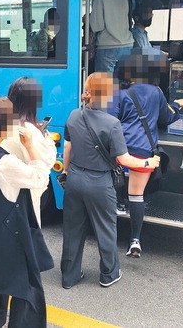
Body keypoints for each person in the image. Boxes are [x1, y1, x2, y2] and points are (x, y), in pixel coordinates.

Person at [60, 72, 160, 289]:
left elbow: (68, 147)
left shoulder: (74, 115)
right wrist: (147, 164)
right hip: (99, 182)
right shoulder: (112, 123)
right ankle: (108, 274)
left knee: (73, 229)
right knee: (105, 228)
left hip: (75, 178)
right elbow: (123, 159)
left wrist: (67, 172)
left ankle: (69, 276)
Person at [0, 96, 53, 327]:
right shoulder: (5, 163)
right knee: (28, 290)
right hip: (10, 242)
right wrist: (32, 147)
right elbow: (40, 178)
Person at [113, 52, 183, 258]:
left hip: (120, 148)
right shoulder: (155, 91)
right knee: (137, 194)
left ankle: (116, 211)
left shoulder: (119, 91)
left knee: (112, 185)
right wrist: (177, 106)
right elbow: (166, 118)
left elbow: (111, 120)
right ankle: (135, 241)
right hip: (142, 149)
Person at [1, 77, 56, 227]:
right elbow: (45, 162)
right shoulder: (29, 130)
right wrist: (49, 141)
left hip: (4, 188)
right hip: (23, 191)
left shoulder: (3, 122)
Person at [89, 0, 134, 72]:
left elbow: (97, 25)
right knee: (122, 82)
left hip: (108, 45)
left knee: (105, 84)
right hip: (127, 46)